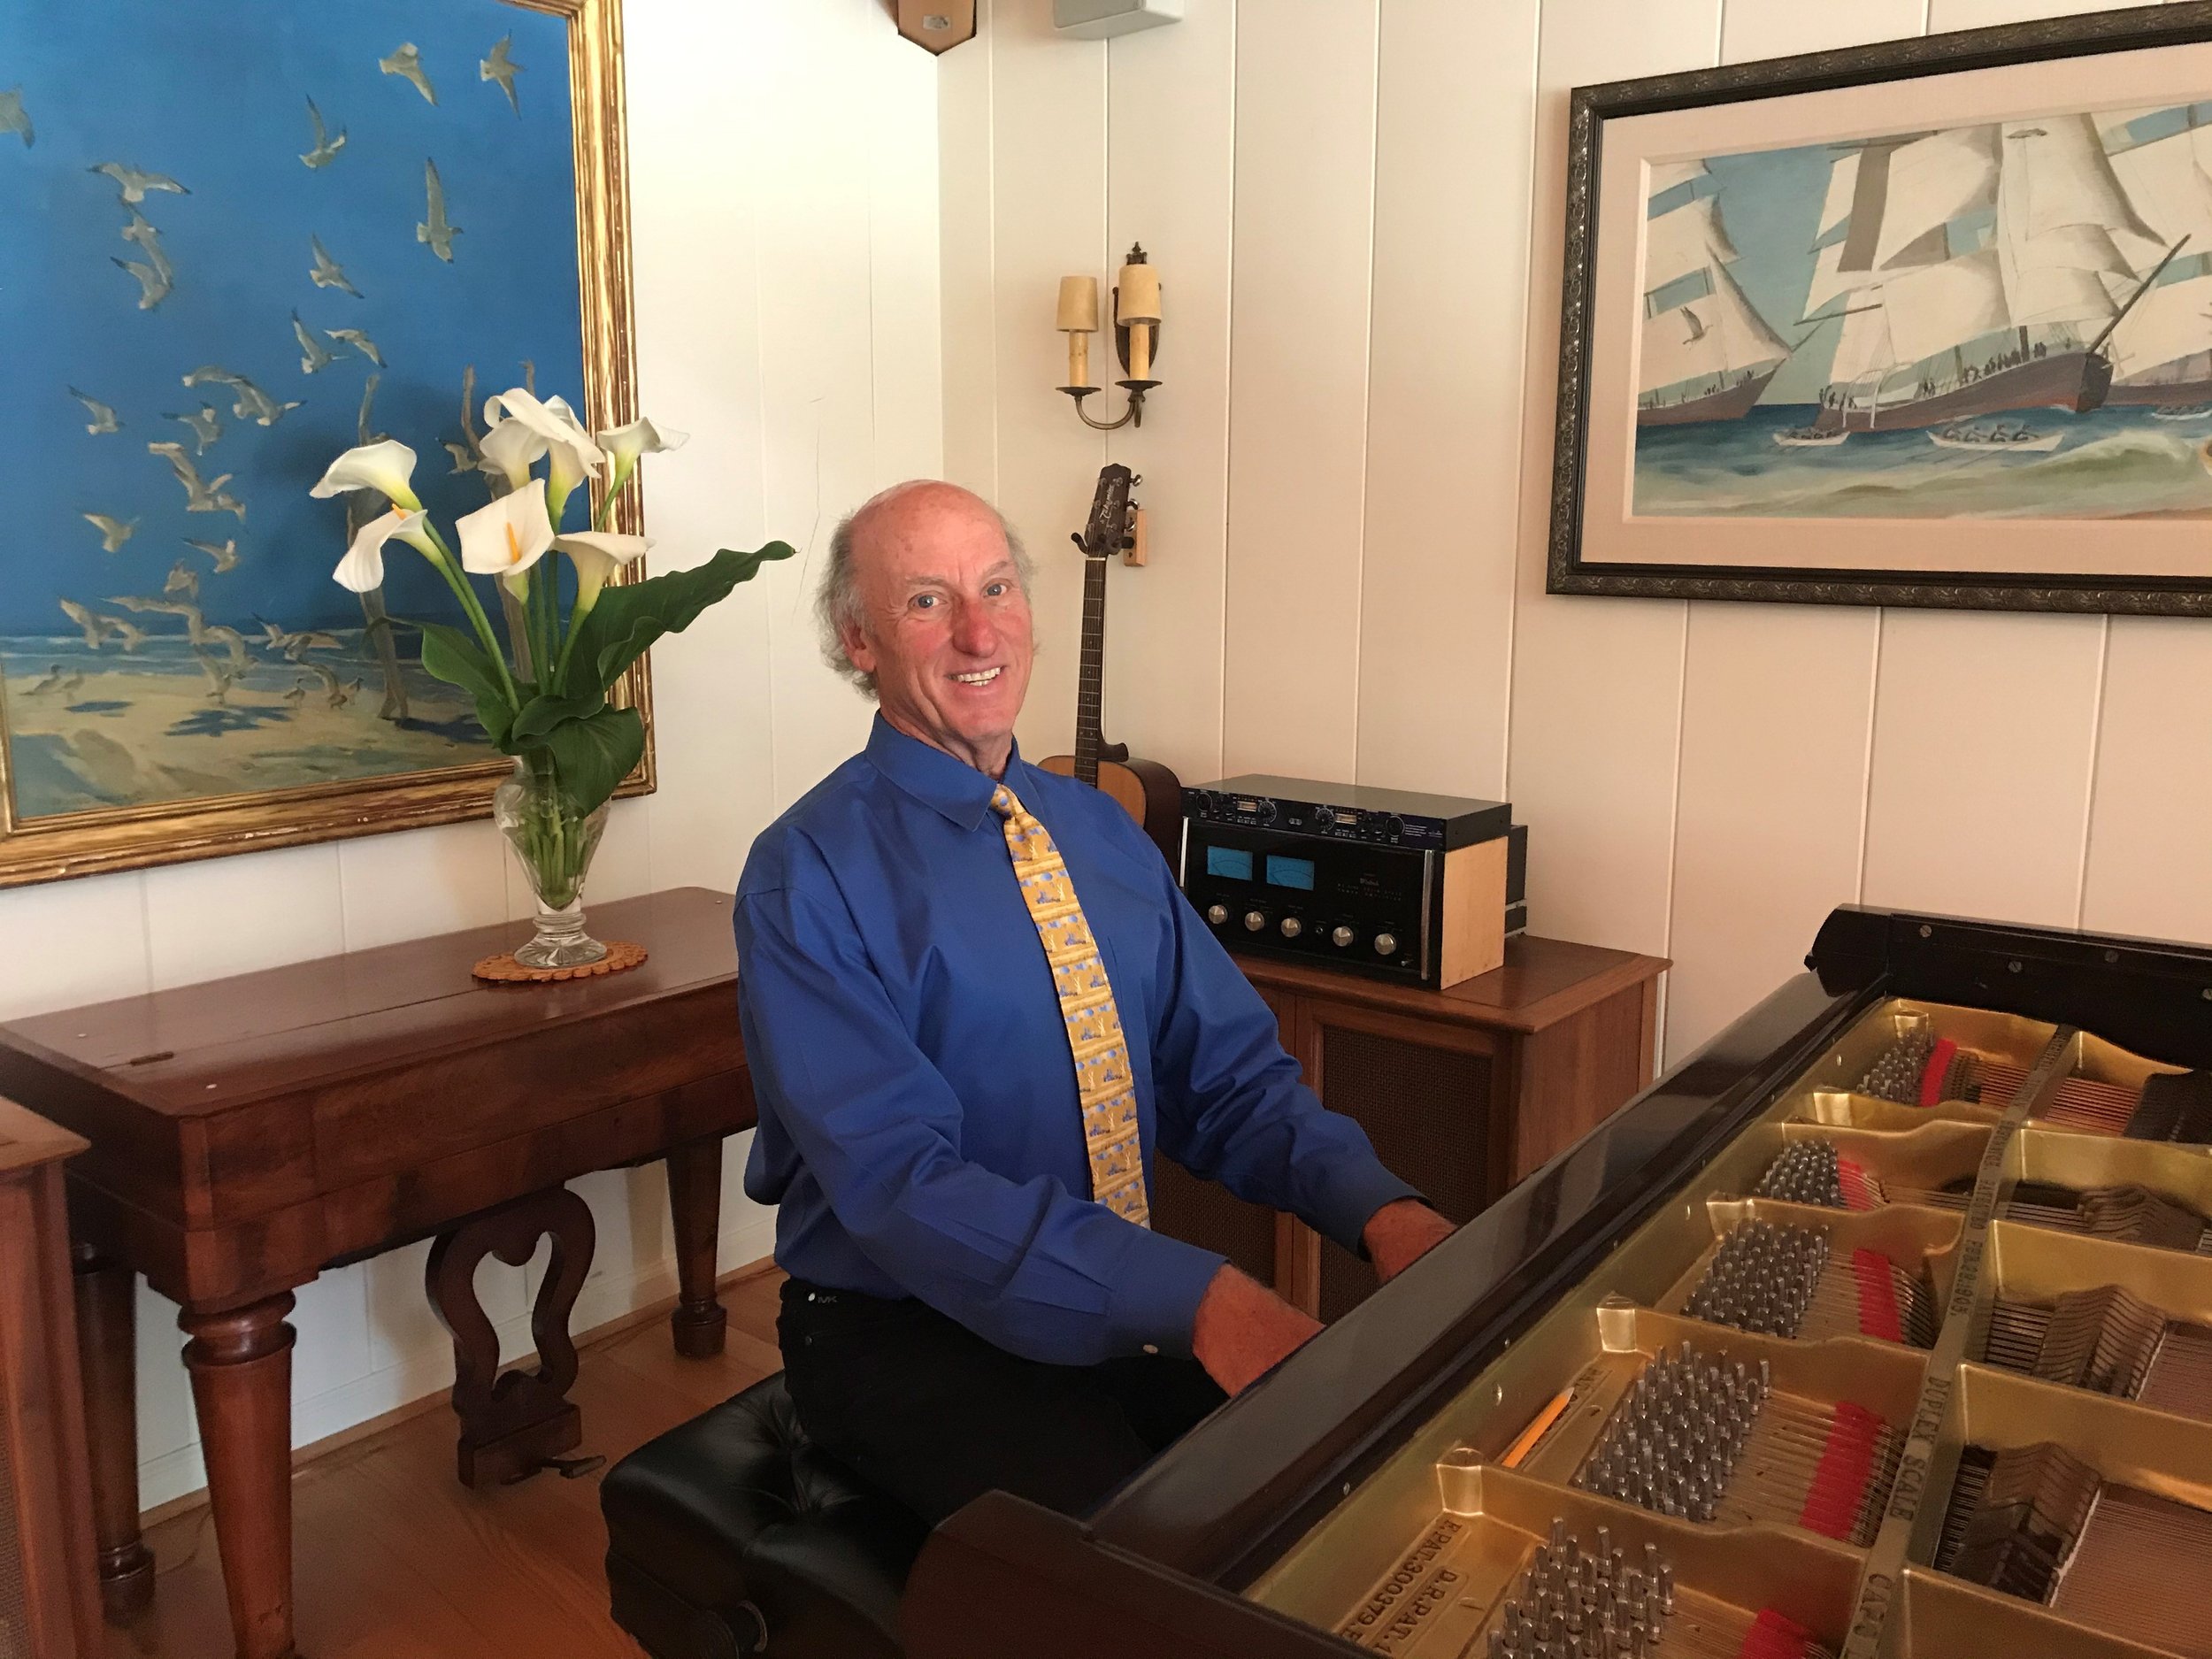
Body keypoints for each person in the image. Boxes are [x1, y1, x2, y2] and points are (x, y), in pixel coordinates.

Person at [732, 480, 1455, 1526]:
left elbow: (1227, 1079)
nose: (979, 631)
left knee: (1332, 1487)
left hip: (1110, 1295)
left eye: (997, 588)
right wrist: (1202, 1298)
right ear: (859, 640)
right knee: (1147, 1560)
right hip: (901, 1326)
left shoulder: (1101, 828)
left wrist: (1381, 1209)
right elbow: (902, 1183)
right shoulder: (805, 872)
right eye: (928, 601)